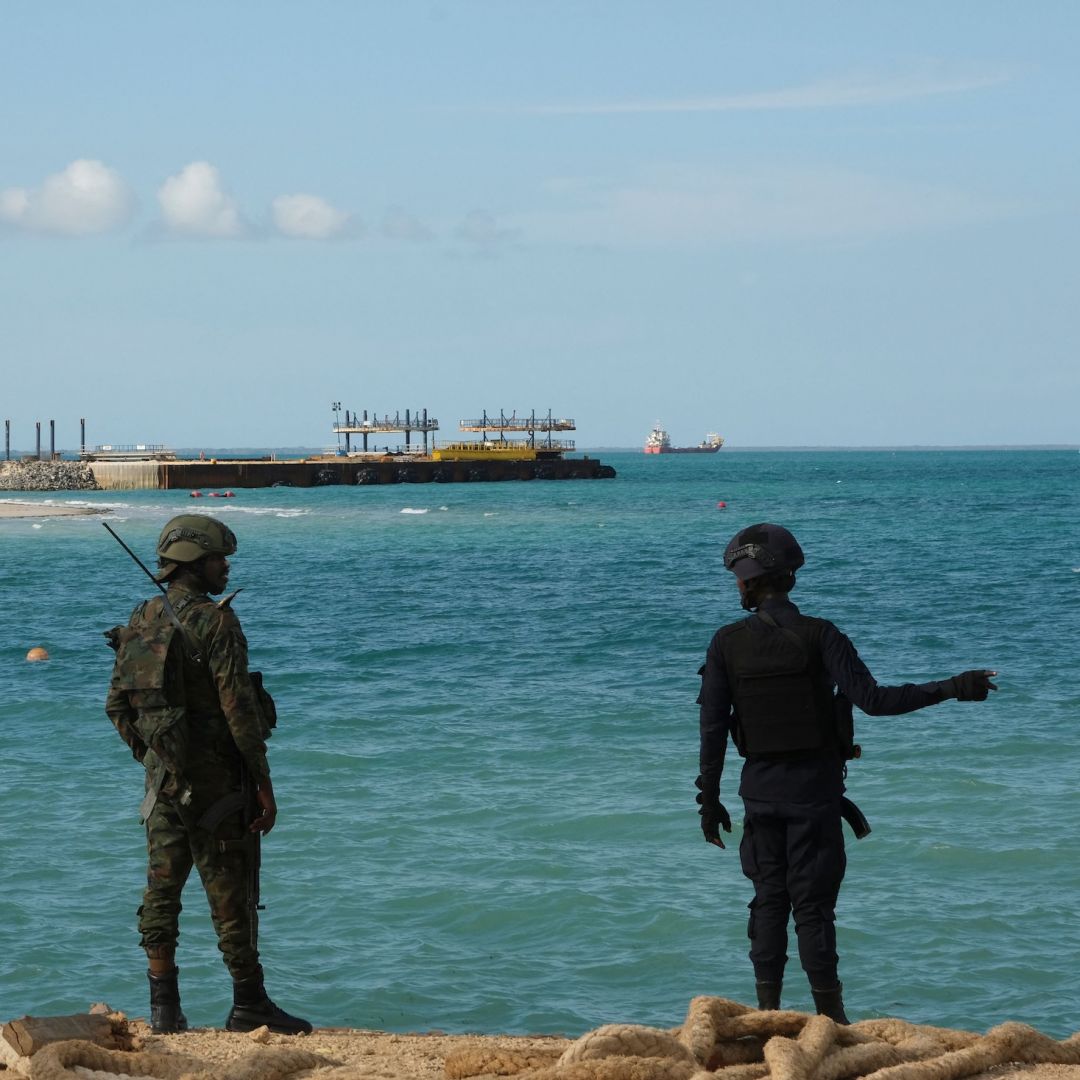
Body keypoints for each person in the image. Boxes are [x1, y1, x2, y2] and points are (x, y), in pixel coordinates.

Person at [695, 522, 997, 1023]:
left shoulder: (725, 643)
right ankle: (831, 1024)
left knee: (768, 902)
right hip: (813, 796)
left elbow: (712, 731)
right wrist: (953, 687)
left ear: (750, 582)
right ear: (788, 578)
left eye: (739, 578)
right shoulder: (821, 635)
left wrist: (710, 801)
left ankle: (767, 1017)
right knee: (812, 910)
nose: (736, 585)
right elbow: (875, 701)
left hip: (760, 797)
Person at [105, 514, 311, 1035]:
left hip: (163, 785)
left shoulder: (142, 616)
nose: (226, 567)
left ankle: (164, 1011)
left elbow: (117, 707)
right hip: (218, 785)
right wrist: (264, 786)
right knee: (231, 893)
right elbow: (239, 711)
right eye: (220, 559)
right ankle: (248, 1005)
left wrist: (156, 758)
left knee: (161, 891)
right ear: (196, 562)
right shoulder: (217, 622)